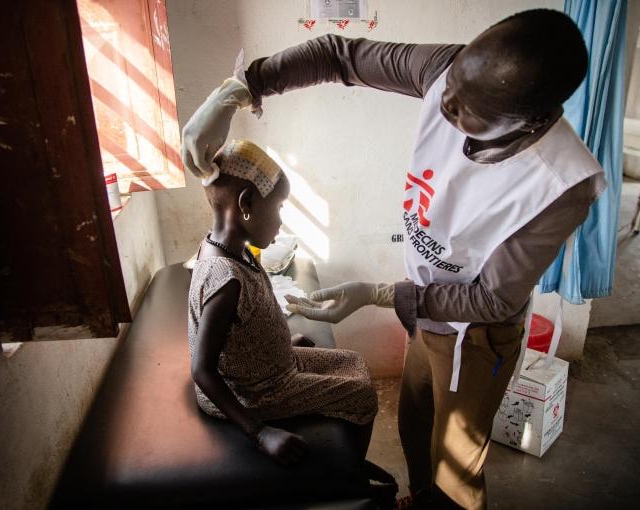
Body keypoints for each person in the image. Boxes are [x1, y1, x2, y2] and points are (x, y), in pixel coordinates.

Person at [181, 9, 606, 509]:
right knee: (414, 417)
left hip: (477, 333)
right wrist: (239, 88)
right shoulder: (448, 71)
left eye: (466, 110)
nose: (444, 102)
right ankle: (420, 497)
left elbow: (491, 298)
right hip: (426, 311)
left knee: (458, 465)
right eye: (449, 87)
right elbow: (339, 54)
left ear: (527, 122)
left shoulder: (561, 184)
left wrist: (378, 294)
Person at [188, 139, 378, 467]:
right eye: (277, 208)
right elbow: (202, 369)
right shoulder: (224, 278)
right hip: (254, 393)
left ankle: (347, 466)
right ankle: (351, 476)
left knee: (353, 362)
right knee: (362, 395)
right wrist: (260, 433)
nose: (279, 221)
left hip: (265, 369)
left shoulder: (234, 248)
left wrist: (280, 346)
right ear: (246, 204)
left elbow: (242, 329)